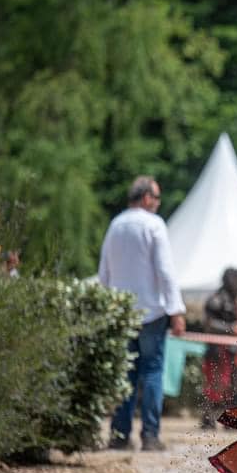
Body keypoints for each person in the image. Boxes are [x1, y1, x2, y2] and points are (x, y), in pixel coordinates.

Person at [99, 176, 186, 451]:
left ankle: (119, 435)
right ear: (147, 198)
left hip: (123, 313)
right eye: (157, 198)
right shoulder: (153, 224)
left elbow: (104, 273)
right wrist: (176, 310)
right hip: (152, 313)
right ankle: (150, 435)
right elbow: (165, 271)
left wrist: (107, 307)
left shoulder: (115, 225)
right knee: (151, 373)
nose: (158, 204)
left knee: (125, 375)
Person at [201, 268, 237, 429]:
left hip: (234, 350)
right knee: (216, 385)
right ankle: (208, 420)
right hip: (218, 351)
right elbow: (208, 323)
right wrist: (229, 328)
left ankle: (229, 421)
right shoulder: (216, 299)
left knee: (235, 386)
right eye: (235, 279)